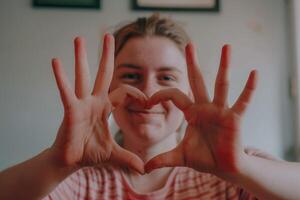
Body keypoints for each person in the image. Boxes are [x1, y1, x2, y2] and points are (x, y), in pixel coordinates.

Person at [1, 13, 300, 200]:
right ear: (108, 89)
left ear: (188, 88)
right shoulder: (78, 179)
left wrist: (241, 168)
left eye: (167, 77)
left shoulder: (233, 172)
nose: (147, 92)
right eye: (131, 76)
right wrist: (56, 162)